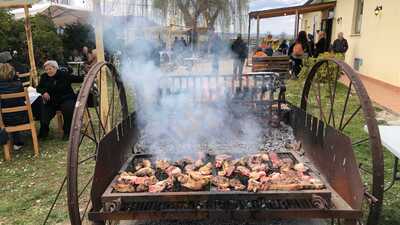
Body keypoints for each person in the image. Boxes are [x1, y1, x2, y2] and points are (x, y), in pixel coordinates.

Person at [36, 60, 84, 139]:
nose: (48, 71)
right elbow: (39, 87)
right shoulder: (44, 76)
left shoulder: (64, 75)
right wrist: (43, 92)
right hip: (52, 101)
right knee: (44, 112)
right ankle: (43, 133)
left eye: (50, 69)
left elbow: (78, 79)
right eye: (46, 69)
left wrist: (87, 76)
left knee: (68, 109)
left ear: (55, 68)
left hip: (66, 98)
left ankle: (67, 132)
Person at [0, 63, 28, 150]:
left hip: (4, 120)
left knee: (7, 112)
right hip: (22, 118)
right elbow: (24, 99)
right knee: (14, 110)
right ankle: (17, 142)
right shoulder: (18, 84)